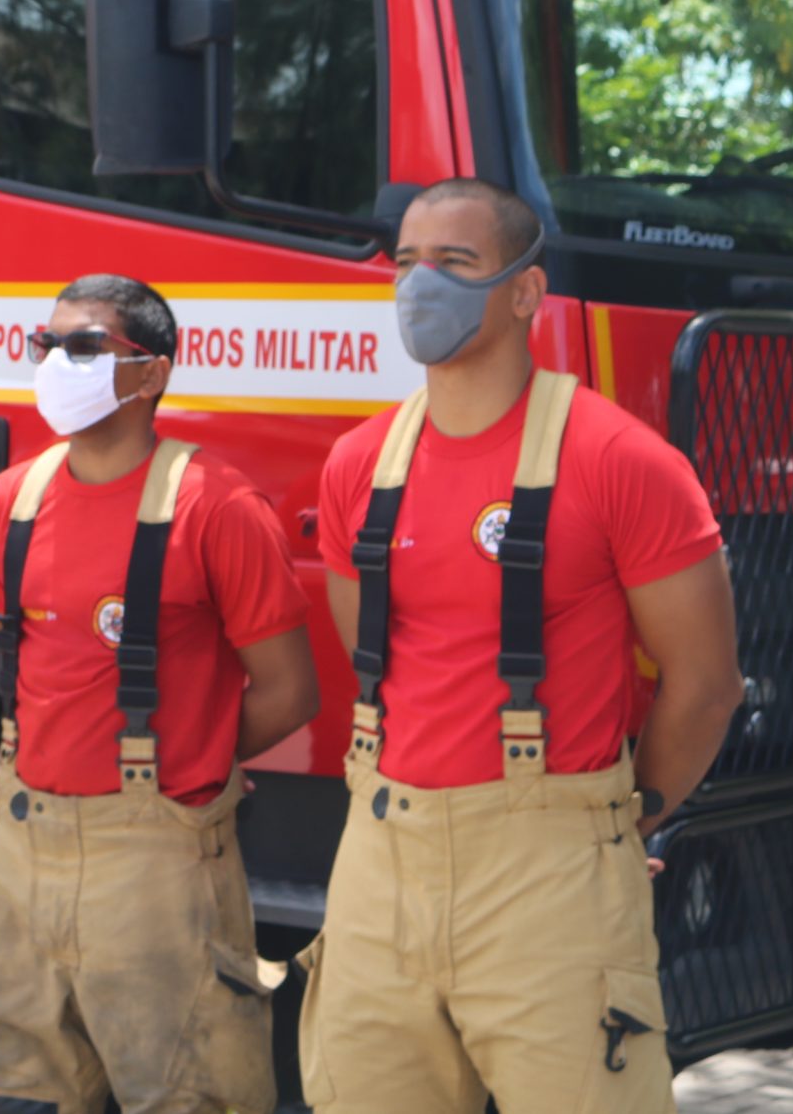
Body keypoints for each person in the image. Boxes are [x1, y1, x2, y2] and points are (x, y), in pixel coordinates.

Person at [300, 180, 744, 1114]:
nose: (423, 284)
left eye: (455, 262)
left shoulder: (619, 460)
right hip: (381, 860)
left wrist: (618, 821)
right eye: (408, 260)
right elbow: (373, 656)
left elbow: (705, 687)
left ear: (526, 292)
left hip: (550, 881)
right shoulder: (359, 466)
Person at [0, 274, 318, 1114]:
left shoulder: (217, 506)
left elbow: (290, 690)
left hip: (157, 862)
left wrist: (190, 765)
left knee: (188, 1093)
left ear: (152, 373)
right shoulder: (12, 500)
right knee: (11, 1092)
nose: (56, 362)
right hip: (22, 848)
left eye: (85, 345)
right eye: (47, 344)